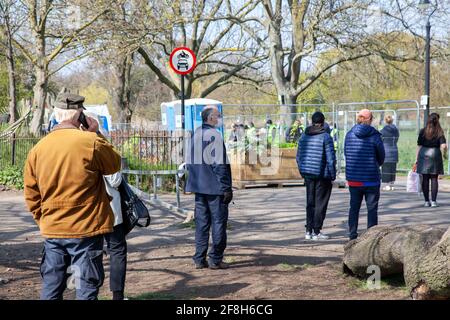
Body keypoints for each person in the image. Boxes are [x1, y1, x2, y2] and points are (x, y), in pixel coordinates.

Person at [24, 93, 121, 300]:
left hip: (53, 228)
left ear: (56, 115)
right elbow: (114, 165)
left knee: (52, 287)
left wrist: (43, 220)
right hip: (86, 228)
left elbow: (31, 193)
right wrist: (96, 134)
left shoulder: (38, 149)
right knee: (85, 287)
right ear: (80, 116)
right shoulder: (90, 142)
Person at [185, 105, 233, 270]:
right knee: (218, 223)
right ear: (210, 118)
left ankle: (199, 258)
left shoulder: (196, 134)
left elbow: (189, 161)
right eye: (218, 116)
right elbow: (219, 164)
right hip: (214, 188)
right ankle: (215, 258)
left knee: (202, 224)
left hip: (200, 187)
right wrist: (226, 187)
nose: (220, 119)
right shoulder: (214, 135)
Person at [344, 109, 385, 240]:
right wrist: (375, 164)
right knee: (372, 209)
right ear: (369, 120)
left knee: (354, 207)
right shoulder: (375, 136)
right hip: (371, 177)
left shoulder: (349, 135)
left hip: (354, 178)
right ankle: (371, 236)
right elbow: (381, 156)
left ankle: (352, 233)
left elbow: (346, 153)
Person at [296, 112, 336, 241]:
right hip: (322, 175)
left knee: (310, 202)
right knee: (320, 203)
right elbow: (331, 159)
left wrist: (302, 170)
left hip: (308, 174)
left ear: (312, 122)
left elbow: (298, 157)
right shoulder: (326, 137)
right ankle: (317, 231)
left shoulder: (304, 136)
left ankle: (308, 231)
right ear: (323, 122)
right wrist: (332, 175)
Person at [103, 172, 128, 300]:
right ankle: (117, 296)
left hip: (83, 214)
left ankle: (87, 294)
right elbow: (115, 181)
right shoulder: (104, 153)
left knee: (88, 251)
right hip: (108, 211)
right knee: (117, 250)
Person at [415, 113, 448, 207]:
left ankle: (426, 201)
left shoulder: (423, 131)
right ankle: (433, 201)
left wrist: (416, 159)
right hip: (435, 154)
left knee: (425, 178)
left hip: (423, 154)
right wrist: (444, 154)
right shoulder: (439, 131)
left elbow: (419, 145)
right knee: (434, 178)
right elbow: (444, 145)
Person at [380, 115, 399, 191]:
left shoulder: (383, 131)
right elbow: (397, 139)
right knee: (393, 168)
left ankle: (387, 184)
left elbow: (380, 141)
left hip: (386, 151)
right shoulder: (396, 130)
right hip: (394, 150)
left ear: (385, 121)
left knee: (385, 169)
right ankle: (392, 184)